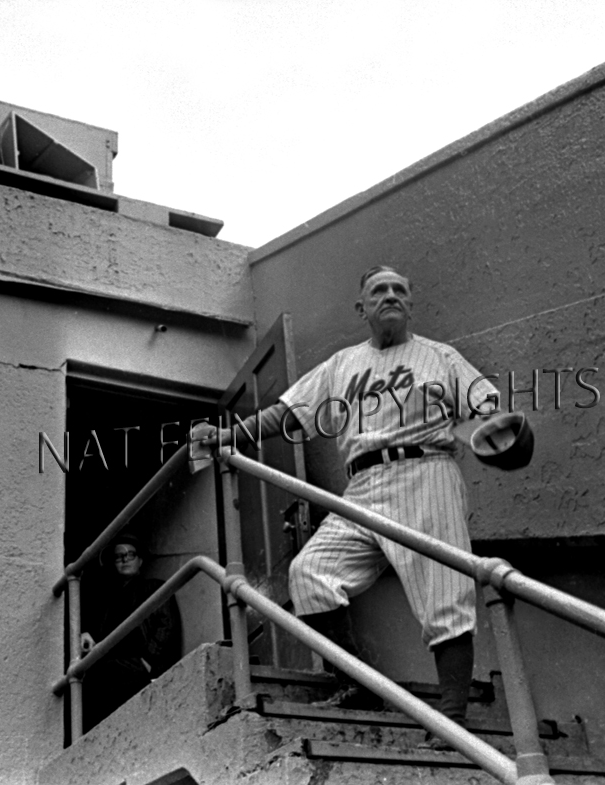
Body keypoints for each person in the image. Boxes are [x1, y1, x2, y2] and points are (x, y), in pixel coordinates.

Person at [195, 266, 507, 747]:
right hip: (362, 482)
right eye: (379, 291)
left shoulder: (440, 358)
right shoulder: (343, 365)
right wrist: (230, 436)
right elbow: (287, 413)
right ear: (361, 308)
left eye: (400, 289)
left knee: (445, 594)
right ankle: (359, 689)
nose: (391, 296)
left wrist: (501, 434)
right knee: (310, 574)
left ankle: (453, 719)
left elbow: (485, 410)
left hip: (426, 472)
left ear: (411, 303)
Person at [80, 534, 182, 732]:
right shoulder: (107, 598)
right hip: (110, 668)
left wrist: (147, 660)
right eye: (119, 556)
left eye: (130, 555)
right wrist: (87, 634)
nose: (125, 559)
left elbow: (166, 624)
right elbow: (97, 629)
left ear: (140, 560)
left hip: (139, 666)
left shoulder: (153, 587)